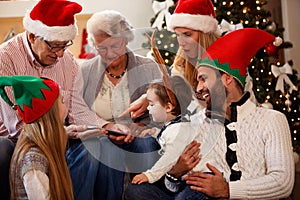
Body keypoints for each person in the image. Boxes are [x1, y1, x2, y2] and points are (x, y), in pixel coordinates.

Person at [126, 28, 295, 199]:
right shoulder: (197, 124)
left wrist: (228, 190)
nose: (198, 89)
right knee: (137, 191)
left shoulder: (272, 120)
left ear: (227, 79)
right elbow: (182, 182)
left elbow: (282, 183)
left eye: (203, 79)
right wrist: (175, 173)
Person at [0, 1, 103, 199]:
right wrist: (61, 133)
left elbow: (78, 110)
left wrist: (102, 126)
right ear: (32, 36)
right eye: (55, 47)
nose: (61, 54)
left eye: (65, 46)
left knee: (97, 144)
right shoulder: (4, 58)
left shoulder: (69, 62)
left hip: (58, 134)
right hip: (20, 138)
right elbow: (17, 125)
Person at [79, 10, 163, 200]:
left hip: (139, 133)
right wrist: (106, 127)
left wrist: (142, 126)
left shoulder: (148, 67)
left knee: (147, 145)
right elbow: (78, 110)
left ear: (125, 40)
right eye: (102, 48)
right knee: (106, 148)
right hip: (102, 135)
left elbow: (164, 107)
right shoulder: (85, 71)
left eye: (115, 46)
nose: (109, 54)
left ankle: (145, 195)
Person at [119, 0, 220, 121]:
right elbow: (174, 93)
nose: (181, 42)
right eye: (178, 35)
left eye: (187, 34)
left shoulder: (225, 63)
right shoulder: (180, 64)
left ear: (205, 34)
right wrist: (147, 98)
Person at [0, 76, 73, 199]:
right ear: (51, 113)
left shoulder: (38, 145)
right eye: (62, 101)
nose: (65, 107)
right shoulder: (33, 162)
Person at [131, 75, 197, 185]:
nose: (148, 108)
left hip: (194, 182)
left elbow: (170, 158)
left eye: (151, 104)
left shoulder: (177, 130)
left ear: (168, 107)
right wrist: (155, 132)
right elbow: (169, 139)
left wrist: (149, 175)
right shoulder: (178, 126)